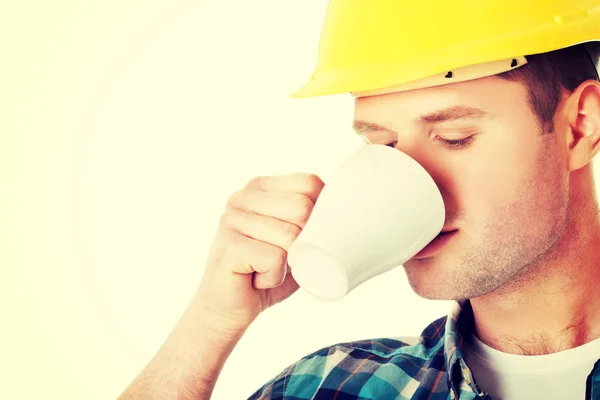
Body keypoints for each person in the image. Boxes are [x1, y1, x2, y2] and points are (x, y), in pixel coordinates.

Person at [118, 1, 600, 399]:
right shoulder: (334, 387)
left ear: (578, 127)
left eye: (453, 137)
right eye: (383, 145)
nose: (412, 179)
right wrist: (210, 323)